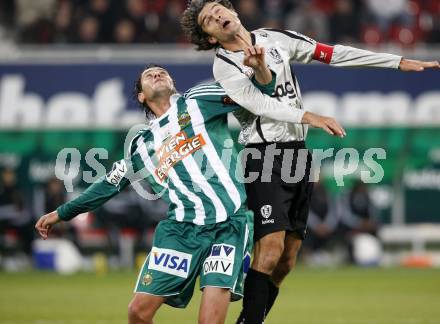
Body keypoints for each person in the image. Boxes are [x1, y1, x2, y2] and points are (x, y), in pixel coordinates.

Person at [181, 1, 439, 323]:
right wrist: (310, 116)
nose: (217, 16)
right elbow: (262, 104)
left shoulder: (275, 38)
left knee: (287, 260)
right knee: (271, 247)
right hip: (263, 155)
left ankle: (252, 316)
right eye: (208, 19)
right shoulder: (224, 67)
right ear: (210, 38)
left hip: (297, 153)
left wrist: (395, 61)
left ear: (233, 12)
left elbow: (332, 53)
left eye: (219, 9)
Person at [35, 61, 342, 324]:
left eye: (162, 72)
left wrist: (261, 68)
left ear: (173, 82)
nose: (157, 74)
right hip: (180, 230)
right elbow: (109, 184)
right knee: (138, 314)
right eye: (149, 75)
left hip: (229, 225)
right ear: (141, 96)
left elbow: (257, 93)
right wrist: (60, 214)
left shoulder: (198, 100)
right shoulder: (141, 145)